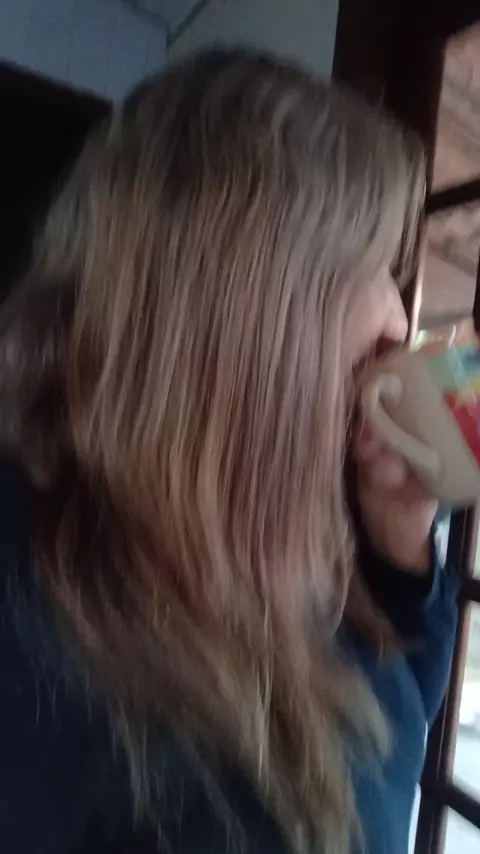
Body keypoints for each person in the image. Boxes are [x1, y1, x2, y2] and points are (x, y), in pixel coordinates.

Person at [0, 49, 458, 854]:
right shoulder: (30, 621)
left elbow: (397, 727)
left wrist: (400, 534)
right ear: (241, 305)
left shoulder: (293, 513)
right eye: (369, 269)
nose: (398, 321)